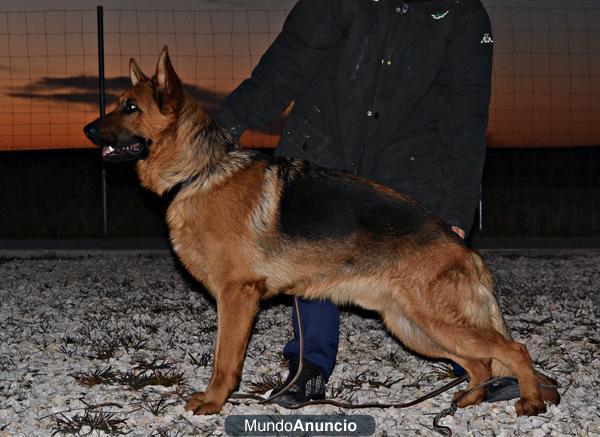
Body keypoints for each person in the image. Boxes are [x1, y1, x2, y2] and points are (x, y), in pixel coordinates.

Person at [215, 0, 516, 405]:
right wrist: (221, 129)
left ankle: (492, 365)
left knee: (434, 276)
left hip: (406, 158)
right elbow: (286, 64)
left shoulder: (463, 15)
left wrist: (456, 210)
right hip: (324, 143)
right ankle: (309, 367)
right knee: (307, 261)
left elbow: (465, 115)